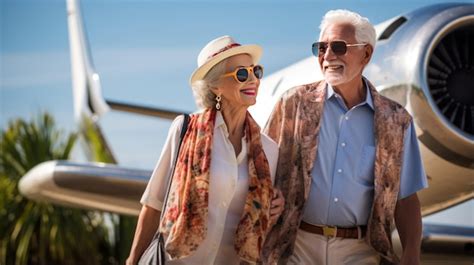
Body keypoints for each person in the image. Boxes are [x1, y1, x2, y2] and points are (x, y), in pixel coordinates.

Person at [262, 10, 428, 265]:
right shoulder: (292, 104)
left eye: (339, 47)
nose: (328, 56)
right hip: (296, 246)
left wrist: (411, 255)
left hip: (361, 251)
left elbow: (405, 199)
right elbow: (261, 170)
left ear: (366, 54)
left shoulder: (397, 121)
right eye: (321, 47)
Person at [126, 35, 285, 265]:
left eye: (256, 71)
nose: (253, 80)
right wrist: (132, 261)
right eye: (242, 74)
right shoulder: (184, 129)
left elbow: (262, 224)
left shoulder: (269, 151)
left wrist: (274, 205)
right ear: (215, 86)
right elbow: (153, 205)